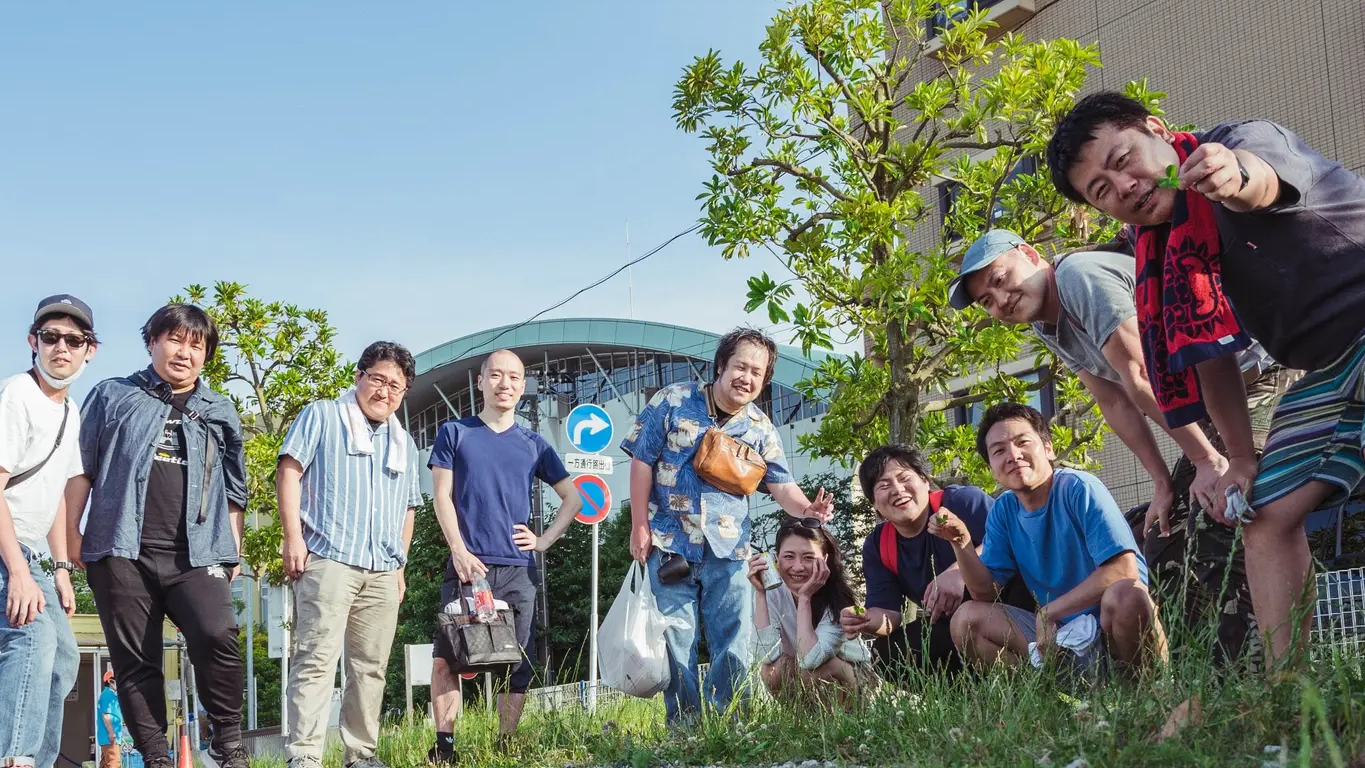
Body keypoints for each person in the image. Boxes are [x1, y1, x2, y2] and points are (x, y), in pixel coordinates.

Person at [1046, 92, 1365, 664]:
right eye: (1101, 190)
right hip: (1332, 368)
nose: (1122, 187)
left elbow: (1261, 179)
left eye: (1122, 161)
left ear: (1156, 129)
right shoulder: (1165, 255)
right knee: (1264, 515)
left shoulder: (1243, 140)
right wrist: (1237, 458)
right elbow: (1211, 356)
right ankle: (1285, 695)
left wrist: (1232, 176)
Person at [948, 230, 1285, 665]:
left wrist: (1207, 460)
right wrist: (1162, 482)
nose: (1000, 298)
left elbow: (1140, 375)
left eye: (1000, 278)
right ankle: (1186, 677)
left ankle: (1254, 672)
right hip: (1205, 404)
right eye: (987, 301)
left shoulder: (1076, 277)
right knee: (1168, 539)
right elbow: (1114, 400)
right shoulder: (1046, 321)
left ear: (1030, 254)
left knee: (1220, 515)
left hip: (1250, 376)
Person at [66, 304, 249, 768]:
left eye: (196, 345)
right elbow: (80, 471)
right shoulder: (112, 396)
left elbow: (234, 489)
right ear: (152, 342)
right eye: (174, 340)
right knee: (136, 662)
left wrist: (233, 552)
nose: (184, 353)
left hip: (199, 552)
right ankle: (156, 758)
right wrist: (72, 534)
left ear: (206, 355)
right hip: (121, 551)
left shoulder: (219, 410)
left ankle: (228, 744)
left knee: (218, 633)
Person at [620, 327, 832, 724]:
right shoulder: (672, 401)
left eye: (757, 372)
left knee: (734, 638)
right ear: (721, 366)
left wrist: (810, 510)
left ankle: (734, 721)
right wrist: (639, 527)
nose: (747, 378)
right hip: (670, 542)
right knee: (675, 639)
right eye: (740, 366)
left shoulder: (760, 428)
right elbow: (641, 460)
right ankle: (683, 727)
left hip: (730, 551)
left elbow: (782, 486)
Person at [425, 349, 582, 759]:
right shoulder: (454, 433)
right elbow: (441, 496)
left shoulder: (533, 443)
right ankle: (444, 747)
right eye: (496, 375)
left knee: (519, 661)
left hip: (518, 571)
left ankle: (506, 745)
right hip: (467, 567)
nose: (505, 384)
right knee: (448, 657)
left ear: (523, 385)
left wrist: (543, 541)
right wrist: (458, 550)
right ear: (481, 382)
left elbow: (573, 498)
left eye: (513, 377)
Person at [278, 342, 423, 768]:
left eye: (396, 385)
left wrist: (401, 566)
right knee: (316, 659)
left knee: (371, 667)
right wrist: (292, 537)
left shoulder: (405, 442)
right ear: (359, 376)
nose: (385, 390)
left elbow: (408, 507)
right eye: (377, 378)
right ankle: (304, 756)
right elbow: (290, 471)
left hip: (382, 568)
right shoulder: (323, 415)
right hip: (328, 556)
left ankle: (361, 754)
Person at [942, 403, 1167, 675]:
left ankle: (1150, 692)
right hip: (1063, 637)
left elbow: (1123, 570)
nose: (1013, 455)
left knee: (1126, 594)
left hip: (1114, 628)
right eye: (999, 451)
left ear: (1048, 448)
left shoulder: (1078, 487)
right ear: (991, 468)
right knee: (966, 619)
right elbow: (985, 593)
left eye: (1022, 442)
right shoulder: (1003, 510)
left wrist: (1049, 612)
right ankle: (1045, 705)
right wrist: (961, 542)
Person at [0, 295, 94, 768]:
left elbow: (57, 494)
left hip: (34, 553)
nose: (62, 347)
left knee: (62, 660)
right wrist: (17, 569)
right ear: (32, 342)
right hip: (8, 547)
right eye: (51, 337)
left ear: (89, 350)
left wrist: (59, 569)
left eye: (73, 340)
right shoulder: (19, 393)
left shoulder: (69, 411)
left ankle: (36, 759)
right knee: (31, 639)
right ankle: (14, 757)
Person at [838, 444, 1030, 675]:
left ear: (925, 481)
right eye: (884, 486)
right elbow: (889, 614)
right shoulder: (878, 545)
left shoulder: (962, 502)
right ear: (875, 505)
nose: (898, 490)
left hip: (1014, 606)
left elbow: (1010, 537)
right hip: (954, 627)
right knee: (886, 653)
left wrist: (956, 573)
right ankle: (970, 697)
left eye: (904, 478)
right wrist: (865, 620)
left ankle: (1034, 679)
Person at [750, 521, 871, 701]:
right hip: (805, 677)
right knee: (772, 671)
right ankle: (802, 724)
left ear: (825, 560)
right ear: (776, 559)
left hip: (854, 678)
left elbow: (810, 659)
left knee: (816, 669)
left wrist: (805, 597)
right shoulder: (771, 592)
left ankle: (844, 723)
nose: (797, 567)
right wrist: (760, 594)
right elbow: (766, 656)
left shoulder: (839, 599)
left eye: (808, 557)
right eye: (789, 557)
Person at [97, 671, 124, 768]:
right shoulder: (108, 695)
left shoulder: (107, 695)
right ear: (110, 681)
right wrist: (111, 732)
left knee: (105, 764)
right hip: (110, 737)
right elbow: (106, 715)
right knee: (114, 763)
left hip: (107, 737)